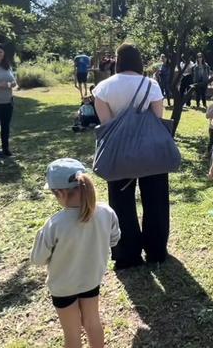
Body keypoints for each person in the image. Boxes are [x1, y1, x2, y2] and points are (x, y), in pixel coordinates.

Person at [92, 43, 170, 269]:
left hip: (119, 154)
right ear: (138, 60)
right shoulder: (151, 85)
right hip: (151, 152)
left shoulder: (103, 88)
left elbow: (106, 125)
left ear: (118, 60)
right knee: (156, 201)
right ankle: (156, 250)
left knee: (120, 203)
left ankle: (127, 254)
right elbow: (157, 119)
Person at [30, 158, 121, 348]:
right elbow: (114, 239)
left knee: (71, 334)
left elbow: (38, 259)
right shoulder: (107, 212)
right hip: (91, 280)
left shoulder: (55, 224)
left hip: (63, 287)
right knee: (93, 323)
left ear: (61, 193)